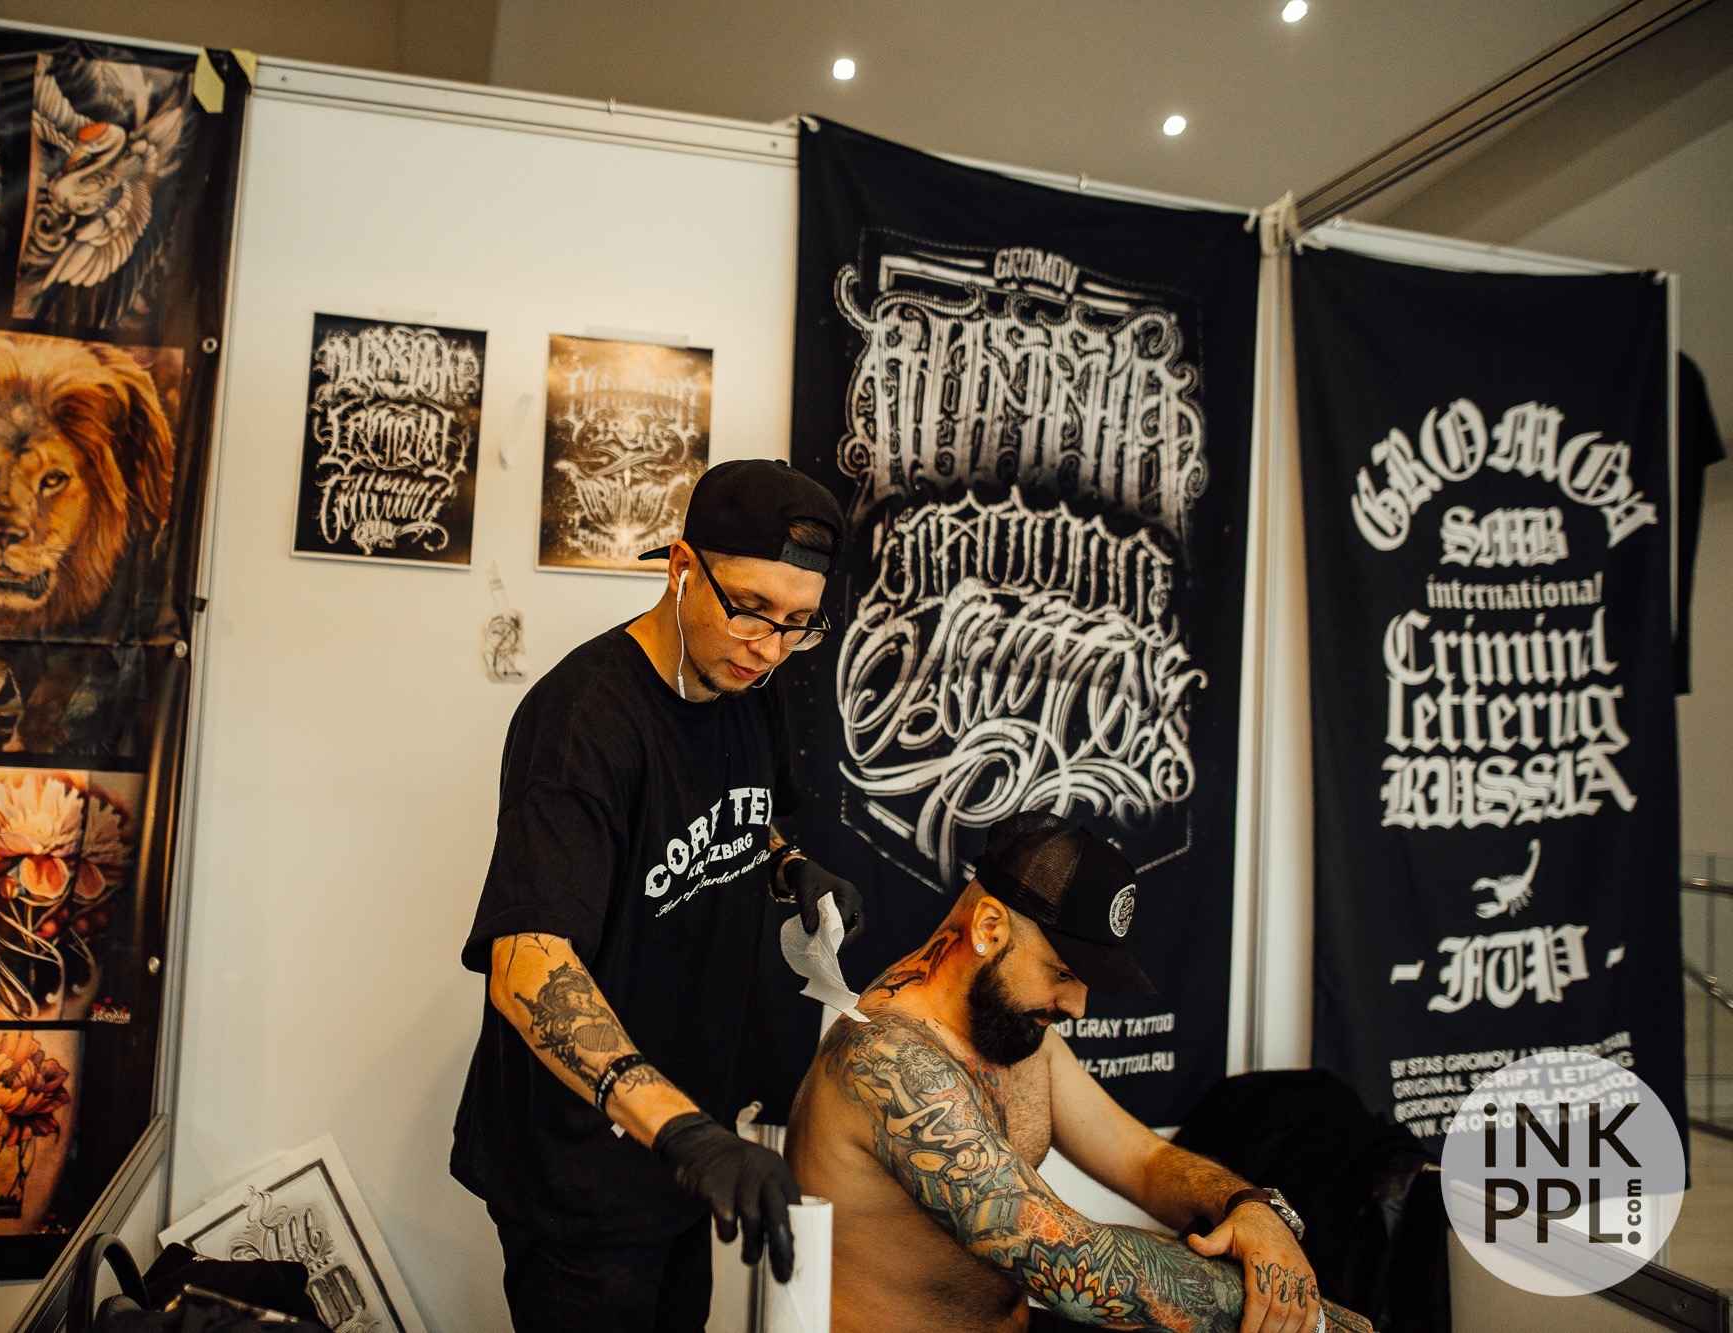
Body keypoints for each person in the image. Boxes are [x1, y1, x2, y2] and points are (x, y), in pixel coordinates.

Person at [452, 458, 869, 1332]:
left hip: (682, 1150)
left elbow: (733, 812)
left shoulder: (747, 683)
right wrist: (684, 1131)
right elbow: (527, 964)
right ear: (682, 566)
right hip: (581, 1171)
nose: (769, 645)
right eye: (749, 606)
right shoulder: (583, 722)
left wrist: (789, 866)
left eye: (797, 623)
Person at [786, 811, 1376, 1333]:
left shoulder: (1013, 1030)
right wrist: (1314, 1319)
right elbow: (1074, 1263)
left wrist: (1247, 1207)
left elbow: (1144, 1162)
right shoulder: (887, 1058)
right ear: (989, 929)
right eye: (1063, 974)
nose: (1077, 1007)